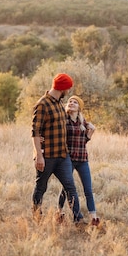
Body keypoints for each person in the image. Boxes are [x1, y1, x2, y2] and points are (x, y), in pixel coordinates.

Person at [31, 73, 84, 224]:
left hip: (62, 155)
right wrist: (38, 156)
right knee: (41, 187)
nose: (68, 92)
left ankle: (78, 220)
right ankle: (37, 217)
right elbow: (34, 131)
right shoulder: (42, 104)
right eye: (68, 88)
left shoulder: (59, 104)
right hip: (46, 156)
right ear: (63, 88)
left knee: (70, 187)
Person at [58, 95, 100, 226]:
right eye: (70, 101)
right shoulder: (63, 119)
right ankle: (59, 212)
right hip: (68, 159)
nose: (71, 103)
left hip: (82, 159)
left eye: (75, 102)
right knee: (67, 188)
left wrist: (91, 132)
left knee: (88, 189)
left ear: (79, 107)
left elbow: (83, 141)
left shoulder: (83, 122)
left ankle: (94, 218)